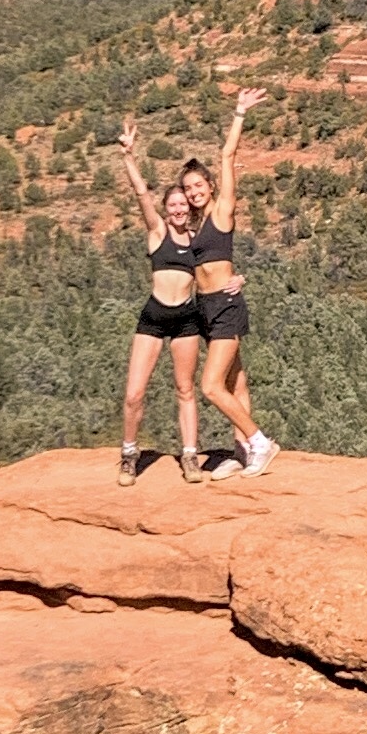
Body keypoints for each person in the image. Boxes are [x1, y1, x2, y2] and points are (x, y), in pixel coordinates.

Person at [179, 85, 279, 479]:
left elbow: (227, 155)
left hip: (225, 306)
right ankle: (241, 453)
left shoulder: (222, 211)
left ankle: (260, 443)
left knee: (210, 386)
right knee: (237, 381)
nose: (194, 191)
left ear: (210, 185)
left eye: (198, 185)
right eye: (188, 189)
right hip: (206, 307)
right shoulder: (194, 224)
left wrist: (239, 112)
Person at [111, 120, 208, 483]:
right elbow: (140, 195)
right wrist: (129, 156)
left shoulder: (199, 239)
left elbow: (217, 269)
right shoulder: (157, 232)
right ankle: (128, 454)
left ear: (190, 207)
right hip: (153, 317)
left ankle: (190, 456)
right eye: (173, 204)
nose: (179, 209)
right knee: (134, 393)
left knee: (185, 389)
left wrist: (237, 279)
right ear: (167, 208)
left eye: (183, 203)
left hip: (186, 318)